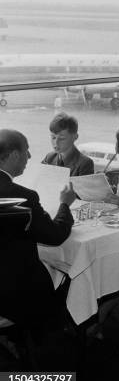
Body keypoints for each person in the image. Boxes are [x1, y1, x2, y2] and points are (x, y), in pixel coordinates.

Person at [0, 129, 77, 329]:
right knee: (71, 275)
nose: (30, 157)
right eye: (27, 151)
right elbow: (55, 235)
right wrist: (65, 205)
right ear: (15, 155)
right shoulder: (23, 196)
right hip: (13, 292)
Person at [41, 112, 94, 177]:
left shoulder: (85, 164)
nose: (56, 142)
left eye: (62, 138)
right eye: (53, 137)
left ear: (75, 137)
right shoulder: (49, 157)